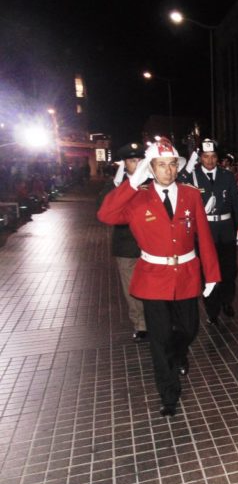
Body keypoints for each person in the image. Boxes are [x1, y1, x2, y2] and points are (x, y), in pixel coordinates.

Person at [97, 138, 220, 417]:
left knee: (189, 330)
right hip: (153, 278)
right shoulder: (137, 197)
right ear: (150, 168)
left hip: (187, 274)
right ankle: (169, 394)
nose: (168, 170)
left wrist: (211, 274)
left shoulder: (190, 194)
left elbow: (204, 236)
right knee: (160, 338)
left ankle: (177, 356)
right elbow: (105, 214)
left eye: (172, 164)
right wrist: (130, 184)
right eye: (161, 165)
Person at [179, 138, 238, 326]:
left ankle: (227, 301)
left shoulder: (227, 175)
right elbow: (178, 185)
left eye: (213, 156)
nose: (209, 161)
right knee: (208, 272)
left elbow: (236, 204)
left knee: (229, 270)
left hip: (225, 230)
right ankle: (212, 309)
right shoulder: (192, 175)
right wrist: (188, 168)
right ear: (200, 158)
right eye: (205, 157)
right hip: (204, 231)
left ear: (218, 158)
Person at [98, 142, 148, 341]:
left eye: (139, 160)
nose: (136, 164)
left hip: (150, 245)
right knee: (131, 289)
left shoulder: (152, 182)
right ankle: (140, 324)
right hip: (126, 245)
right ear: (124, 164)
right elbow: (101, 209)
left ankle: (156, 319)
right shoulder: (115, 184)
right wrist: (119, 188)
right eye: (131, 161)